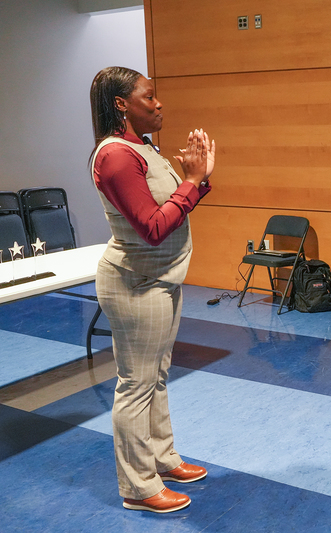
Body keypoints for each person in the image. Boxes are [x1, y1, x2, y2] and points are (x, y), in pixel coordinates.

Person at [89, 66, 215, 513]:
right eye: (149, 97)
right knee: (136, 384)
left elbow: (173, 209)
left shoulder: (142, 147)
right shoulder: (116, 156)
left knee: (156, 377)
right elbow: (153, 228)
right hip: (136, 282)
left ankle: (162, 458)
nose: (158, 103)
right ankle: (138, 487)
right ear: (122, 104)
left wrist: (194, 179)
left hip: (161, 279)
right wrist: (192, 181)